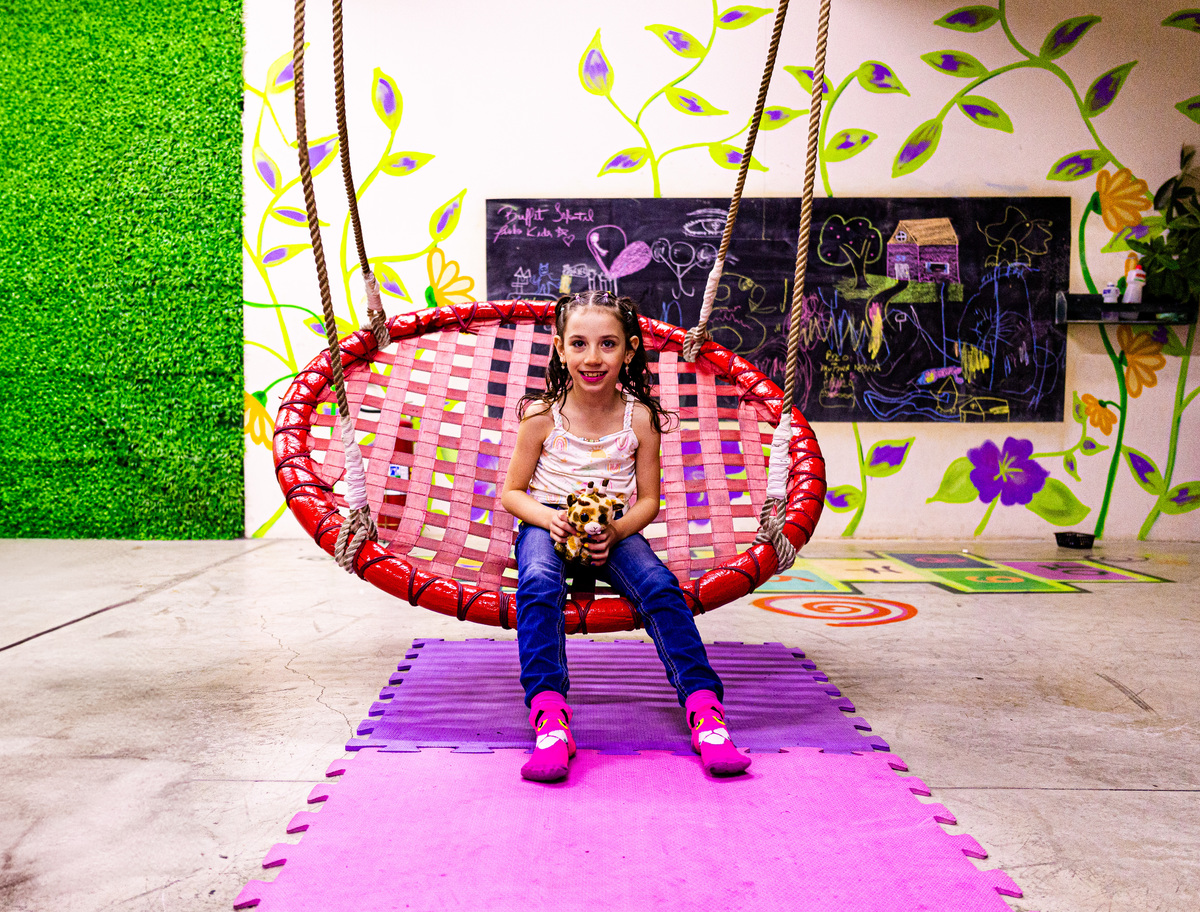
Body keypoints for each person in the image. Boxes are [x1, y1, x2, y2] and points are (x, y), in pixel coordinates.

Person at [500, 289, 751, 782]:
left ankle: (705, 712)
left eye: (608, 344)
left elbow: (648, 502)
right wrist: (548, 519)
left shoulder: (640, 418)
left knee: (659, 586)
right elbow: (512, 493)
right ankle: (550, 719)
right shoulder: (542, 416)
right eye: (579, 344)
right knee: (538, 583)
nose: (592, 358)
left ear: (630, 349)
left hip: (612, 527)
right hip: (547, 522)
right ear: (560, 349)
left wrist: (615, 530)